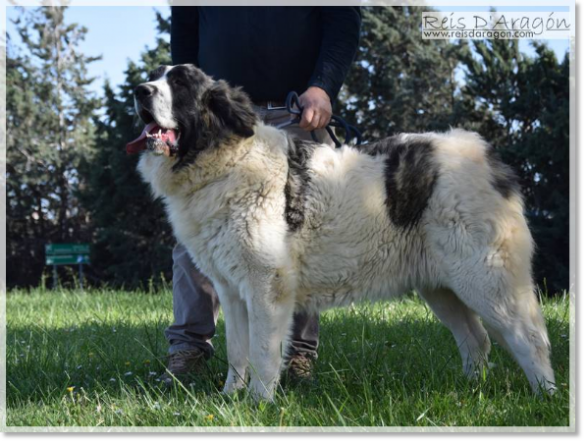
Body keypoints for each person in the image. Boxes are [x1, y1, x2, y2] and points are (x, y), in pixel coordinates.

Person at [162, 6, 361, 384]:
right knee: (197, 235)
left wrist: (323, 85)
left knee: (300, 235)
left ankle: (297, 355)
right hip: (217, 119)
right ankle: (188, 347)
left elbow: (342, 23)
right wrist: (188, 105)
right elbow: (185, 33)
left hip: (297, 111)